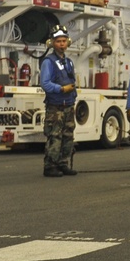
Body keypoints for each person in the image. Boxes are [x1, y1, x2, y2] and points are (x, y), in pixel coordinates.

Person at [40, 24, 77, 177]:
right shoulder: (48, 62)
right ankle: (50, 166)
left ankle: (63, 163)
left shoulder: (69, 62)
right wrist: (61, 89)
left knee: (68, 136)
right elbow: (45, 84)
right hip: (55, 107)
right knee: (54, 136)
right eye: (58, 41)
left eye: (63, 41)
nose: (61, 44)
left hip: (68, 105)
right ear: (52, 43)